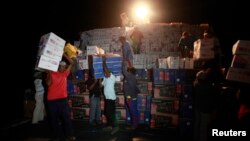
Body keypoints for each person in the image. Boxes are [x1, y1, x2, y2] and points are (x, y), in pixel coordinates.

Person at [46, 54, 76, 141]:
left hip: (63, 100)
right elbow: (48, 83)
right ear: (58, 66)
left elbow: (72, 62)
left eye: (64, 66)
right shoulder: (51, 73)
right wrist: (48, 73)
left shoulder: (65, 74)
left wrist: (64, 54)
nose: (63, 67)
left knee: (66, 119)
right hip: (52, 101)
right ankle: (56, 137)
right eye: (61, 66)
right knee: (54, 120)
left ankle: (69, 135)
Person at [193, 59, 224, 141]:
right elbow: (214, 97)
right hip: (205, 109)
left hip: (197, 107)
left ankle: (195, 137)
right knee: (204, 127)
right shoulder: (210, 87)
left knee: (197, 124)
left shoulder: (197, 85)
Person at [101, 55, 119, 135]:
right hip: (107, 98)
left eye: (106, 71)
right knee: (107, 112)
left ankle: (115, 126)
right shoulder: (105, 78)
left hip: (111, 98)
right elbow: (101, 85)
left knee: (111, 113)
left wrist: (104, 61)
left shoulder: (112, 76)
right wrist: (98, 77)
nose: (105, 72)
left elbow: (107, 72)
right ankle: (109, 126)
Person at [122, 63, 140, 129]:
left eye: (128, 70)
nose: (127, 71)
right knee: (133, 111)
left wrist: (122, 61)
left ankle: (134, 126)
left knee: (133, 111)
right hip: (132, 97)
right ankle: (134, 124)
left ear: (130, 71)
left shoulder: (130, 76)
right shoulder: (131, 77)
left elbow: (123, 70)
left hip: (130, 98)